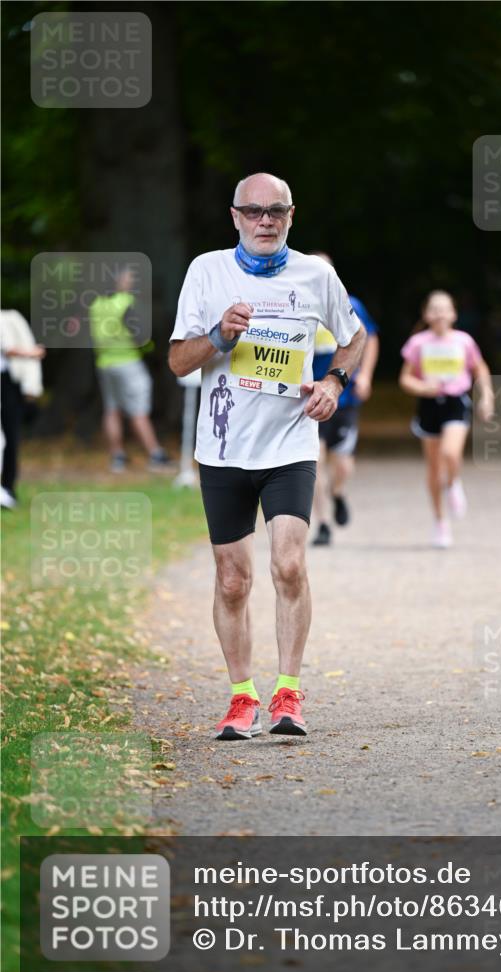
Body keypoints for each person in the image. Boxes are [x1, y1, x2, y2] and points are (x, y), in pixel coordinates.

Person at [168, 173, 366, 740]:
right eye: (253, 212)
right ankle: (240, 697)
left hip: (290, 444)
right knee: (233, 579)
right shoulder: (206, 271)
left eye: (275, 211)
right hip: (225, 448)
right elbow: (180, 362)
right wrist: (219, 337)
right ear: (234, 216)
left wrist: (334, 380)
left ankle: (288, 692)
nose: (264, 221)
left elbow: (355, 337)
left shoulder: (315, 274)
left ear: (290, 215)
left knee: (288, 564)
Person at [399, 290, 494, 548]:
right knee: (432, 468)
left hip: (456, 402)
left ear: (453, 314)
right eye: (434, 309)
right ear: (426, 314)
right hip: (429, 406)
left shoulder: (463, 341)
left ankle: (453, 483)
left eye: (445, 308)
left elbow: (480, 369)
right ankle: (440, 522)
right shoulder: (418, 343)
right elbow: (405, 378)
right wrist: (422, 387)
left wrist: (487, 397)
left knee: (450, 455)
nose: (440, 313)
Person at [310, 252, 379, 546]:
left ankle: (338, 493)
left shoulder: (351, 304)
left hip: (345, 396)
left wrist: (365, 376)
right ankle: (323, 523)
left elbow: (370, 339)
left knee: (341, 464)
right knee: (314, 462)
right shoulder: (296, 304)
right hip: (309, 396)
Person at [89, 267, 172, 473]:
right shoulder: (126, 303)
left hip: (104, 363)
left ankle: (117, 457)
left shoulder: (96, 304)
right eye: (128, 278)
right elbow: (139, 334)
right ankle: (155, 454)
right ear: (117, 281)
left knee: (112, 409)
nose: (131, 282)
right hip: (127, 361)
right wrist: (150, 349)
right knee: (139, 410)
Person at [0, 310, 45, 509]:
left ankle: (7, 489)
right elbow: (8, 349)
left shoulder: (8, 318)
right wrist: (31, 353)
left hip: (8, 384)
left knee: (9, 438)